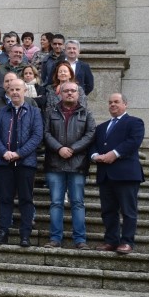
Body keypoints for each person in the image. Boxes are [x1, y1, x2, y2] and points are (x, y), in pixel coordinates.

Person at [0, 79, 43, 247]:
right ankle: (3, 232)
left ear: (25, 91)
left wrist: (19, 154)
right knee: (5, 199)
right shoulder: (1, 112)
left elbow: (37, 137)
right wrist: (4, 152)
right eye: (11, 90)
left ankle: (25, 235)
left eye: (18, 89)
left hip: (26, 163)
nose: (14, 92)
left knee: (26, 199)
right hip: (4, 162)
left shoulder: (34, 112)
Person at [43, 81, 96, 250]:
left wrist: (72, 149)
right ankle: (55, 238)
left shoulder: (86, 113)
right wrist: (59, 148)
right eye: (66, 91)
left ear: (78, 94)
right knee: (56, 203)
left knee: (78, 203)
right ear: (60, 93)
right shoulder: (51, 112)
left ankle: (80, 239)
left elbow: (90, 134)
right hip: (55, 164)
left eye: (73, 91)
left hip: (78, 164)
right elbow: (45, 133)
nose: (70, 93)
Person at [91, 93, 145, 254]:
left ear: (125, 104)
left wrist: (113, 154)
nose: (112, 105)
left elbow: (134, 141)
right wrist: (95, 156)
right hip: (106, 175)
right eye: (110, 102)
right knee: (108, 211)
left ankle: (127, 242)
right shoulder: (101, 127)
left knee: (128, 210)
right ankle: (111, 241)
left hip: (126, 174)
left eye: (116, 102)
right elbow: (93, 146)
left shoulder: (135, 122)